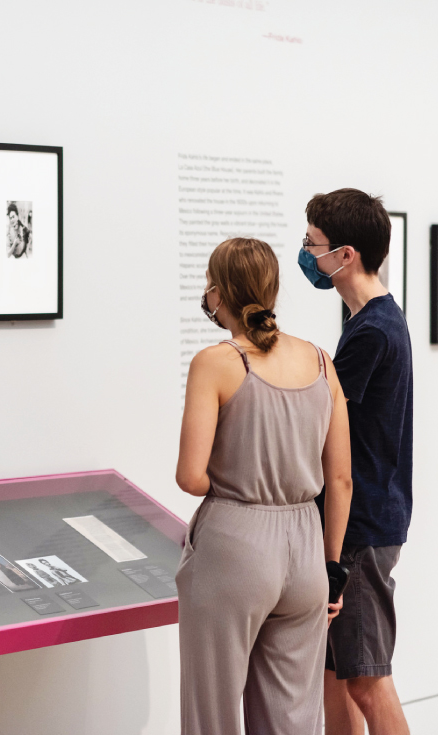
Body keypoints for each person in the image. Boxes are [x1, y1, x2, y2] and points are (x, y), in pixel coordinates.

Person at [175, 237, 352, 735]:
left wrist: (239, 478)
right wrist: (331, 566)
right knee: (293, 719)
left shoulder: (216, 362)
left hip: (235, 543)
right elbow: (340, 479)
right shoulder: (321, 361)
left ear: (218, 293)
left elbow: (190, 476)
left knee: (212, 715)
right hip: (307, 551)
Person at [301, 189, 413, 735]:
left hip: (362, 527)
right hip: (362, 519)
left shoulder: (370, 331)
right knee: (336, 672)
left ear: (344, 255)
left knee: (367, 677)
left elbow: (328, 431)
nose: (305, 253)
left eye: (312, 244)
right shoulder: (370, 320)